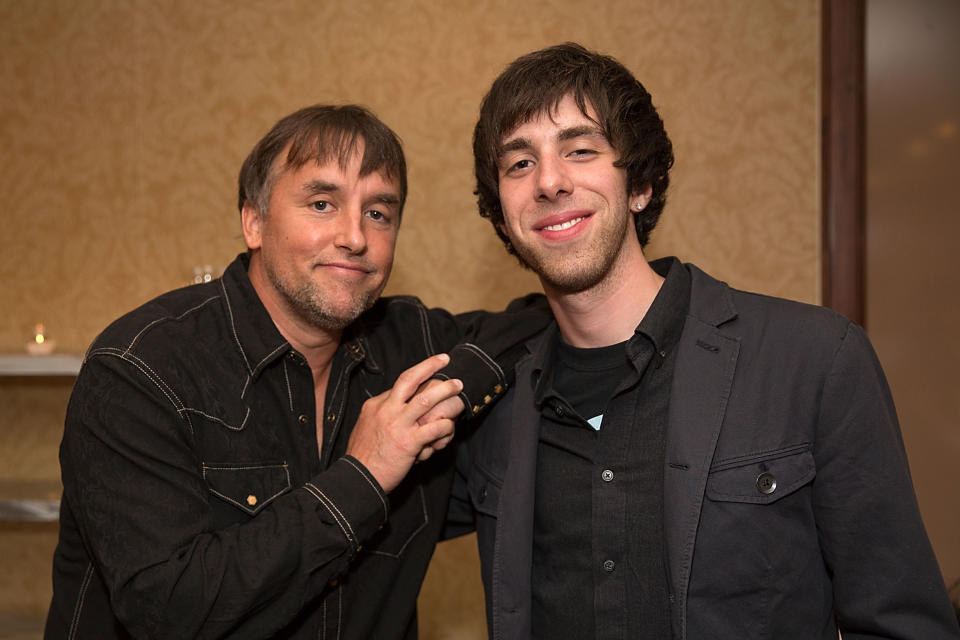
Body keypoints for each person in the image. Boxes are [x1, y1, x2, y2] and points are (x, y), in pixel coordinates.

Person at [446, 43, 960, 639]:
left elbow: (900, 623)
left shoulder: (814, 361)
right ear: (501, 208)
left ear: (639, 183)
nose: (549, 181)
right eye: (518, 164)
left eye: (580, 150)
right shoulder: (491, 402)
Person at [45, 104, 546, 639]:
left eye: (379, 213)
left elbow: (544, 322)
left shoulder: (409, 345)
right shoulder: (141, 368)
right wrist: (366, 474)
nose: (355, 236)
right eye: (322, 203)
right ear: (254, 222)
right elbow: (170, 610)